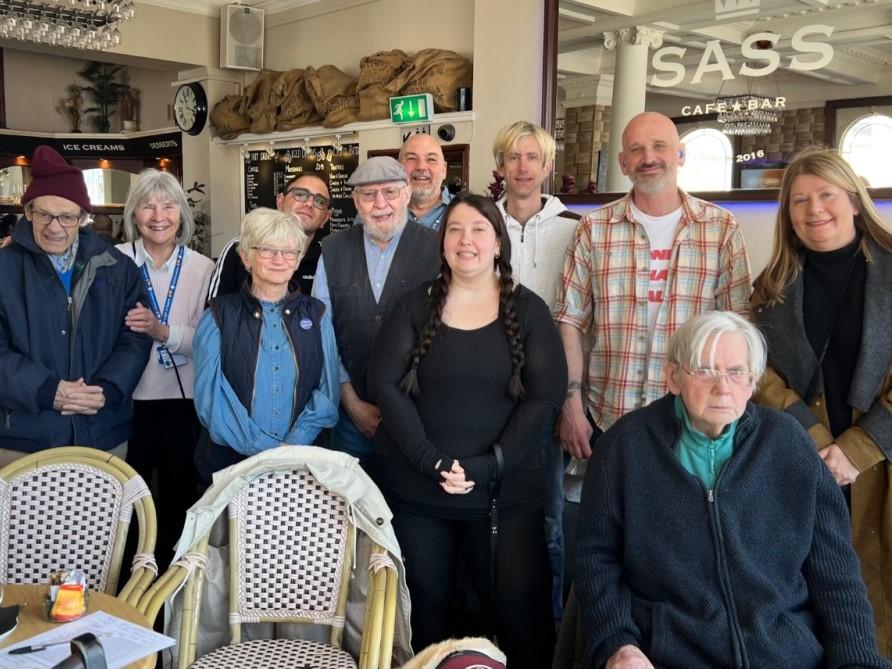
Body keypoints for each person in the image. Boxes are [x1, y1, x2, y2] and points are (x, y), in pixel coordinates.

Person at [576, 311, 891, 669]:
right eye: (705, 369)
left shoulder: (789, 445)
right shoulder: (624, 448)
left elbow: (836, 575)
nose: (722, 387)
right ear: (674, 377)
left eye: (736, 372)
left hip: (785, 656)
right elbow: (596, 560)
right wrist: (617, 642)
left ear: (752, 382)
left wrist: (858, 661)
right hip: (670, 656)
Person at [368, 193, 566, 669]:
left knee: (519, 620)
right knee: (424, 617)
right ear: (443, 243)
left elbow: (544, 398)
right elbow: (384, 384)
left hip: (506, 496)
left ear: (498, 242)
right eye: (455, 230)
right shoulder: (415, 306)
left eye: (479, 229)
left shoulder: (530, 310)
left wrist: (488, 465)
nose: (466, 240)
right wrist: (431, 461)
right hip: (419, 494)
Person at [553, 112, 751, 578]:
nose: (649, 158)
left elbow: (737, 331)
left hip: (692, 423)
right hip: (607, 418)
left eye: (660, 146)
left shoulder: (720, 229)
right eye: (637, 150)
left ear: (680, 155)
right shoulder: (593, 229)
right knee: (601, 552)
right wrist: (571, 405)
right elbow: (569, 321)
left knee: (679, 558)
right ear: (622, 162)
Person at [751, 147, 892, 657]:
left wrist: (860, 448)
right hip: (808, 462)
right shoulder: (772, 286)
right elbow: (757, 371)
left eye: (826, 195)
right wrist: (809, 437)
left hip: (884, 462)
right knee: (821, 597)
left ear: (854, 201)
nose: (814, 210)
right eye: (799, 201)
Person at [0, 145, 151, 463]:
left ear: (84, 218)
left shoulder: (117, 267)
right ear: (27, 211)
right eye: (43, 214)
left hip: (102, 433)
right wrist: (46, 390)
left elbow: (135, 338)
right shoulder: (5, 267)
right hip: (23, 438)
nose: (54, 227)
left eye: (67, 217)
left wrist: (107, 390)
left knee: (103, 516)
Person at [492, 120, 580, 620]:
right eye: (513, 157)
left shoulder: (575, 228)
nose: (522, 168)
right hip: (487, 390)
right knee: (490, 512)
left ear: (548, 167)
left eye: (533, 158)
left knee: (548, 516)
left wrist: (571, 397)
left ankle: (546, 631)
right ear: (500, 166)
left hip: (547, 393)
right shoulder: (483, 222)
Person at [193, 207, 339, 484]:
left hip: (303, 465)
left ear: (298, 260)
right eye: (267, 249)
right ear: (246, 257)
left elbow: (327, 393)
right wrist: (266, 450)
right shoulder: (217, 316)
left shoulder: (317, 316)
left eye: (289, 251)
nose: (279, 259)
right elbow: (211, 401)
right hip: (230, 467)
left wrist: (293, 445)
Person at [312, 156, 439, 467]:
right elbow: (322, 335)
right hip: (350, 417)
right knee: (350, 510)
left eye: (390, 192)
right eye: (368, 194)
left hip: (421, 418)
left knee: (408, 511)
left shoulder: (439, 249)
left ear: (407, 193)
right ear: (356, 201)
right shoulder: (332, 250)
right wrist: (352, 404)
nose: (380, 203)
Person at [116, 168, 215, 567]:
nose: (159, 215)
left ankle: (170, 594)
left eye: (168, 205)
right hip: (126, 401)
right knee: (127, 502)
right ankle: (123, 586)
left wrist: (163, 331)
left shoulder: (202, 267)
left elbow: (206, 343)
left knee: (176, 500)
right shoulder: (114, 261)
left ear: (181, 213)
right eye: (148, 205)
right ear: (133, 214)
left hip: (181, 400)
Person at [207, 171, 332, 299]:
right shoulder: (240, 248)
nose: (309, 204)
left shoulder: (329, 258)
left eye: (320, 201)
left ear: (325, 218)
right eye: (300, 195)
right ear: (280, 202)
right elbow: (216, 312)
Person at [399, 133, 452, 231]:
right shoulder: (381, 212)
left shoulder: (467, 212)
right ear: (398, 168)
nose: (421, 167)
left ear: (444, 170)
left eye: (431, 159)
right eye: (412, 158)